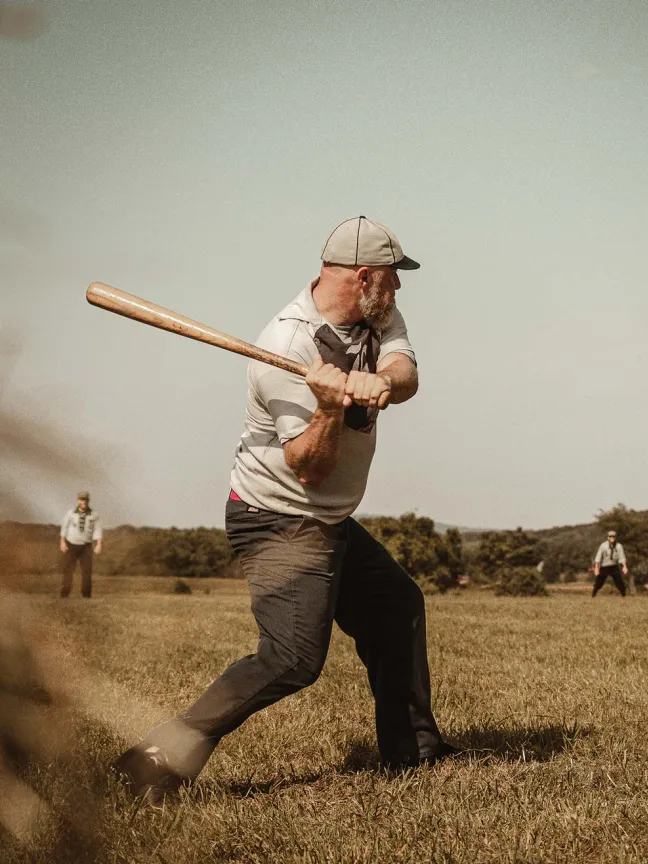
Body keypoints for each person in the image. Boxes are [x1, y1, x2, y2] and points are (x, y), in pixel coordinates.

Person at [113, 216, 456, 802]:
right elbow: (310, 467)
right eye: (394, 280)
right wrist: (326, 407)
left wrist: (381, 382)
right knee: (292, 658)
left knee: (397, 606)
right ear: (365, 277)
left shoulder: (376, 315)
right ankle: (153, 757)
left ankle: (412, 752)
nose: (399, 292)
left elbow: (408, 371)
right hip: (278, 518)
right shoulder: (286, 346)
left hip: (326, 518)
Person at [59, 492, 102, 598]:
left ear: (88, 501)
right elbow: (64, 528)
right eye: (82, 500)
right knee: (68, 570)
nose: (84, 502)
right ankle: (64, 595)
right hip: (71, 545)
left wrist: (99, 544)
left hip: (86, 546)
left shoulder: (94, 514)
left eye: (86, 500)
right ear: (78, 500)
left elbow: (97, 529)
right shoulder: (70, 513)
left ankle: (86, 596)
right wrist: (62, 542)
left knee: (87, 571)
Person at [592, 530, 628, 597]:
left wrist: (624, 566)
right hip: (604, 567)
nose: (612, 538)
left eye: (613, 536)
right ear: (608, 537)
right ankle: (593, 595)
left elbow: (622, 557)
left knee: (620, 582)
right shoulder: (603, 545)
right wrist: (596, 568)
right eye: (610, 536)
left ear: (615, 537)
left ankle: (624, 596)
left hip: (613, 566)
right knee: (598, 583)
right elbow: (598, 557)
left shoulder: (619, 546)